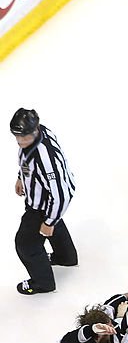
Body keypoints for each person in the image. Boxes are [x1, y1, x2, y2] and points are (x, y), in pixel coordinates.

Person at [11, 108, 77, 295]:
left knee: (26, 244)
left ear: (35, 129)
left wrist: (49, 221)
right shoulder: (40, 133)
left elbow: (61, 195)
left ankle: (42, 282)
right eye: (17, 137)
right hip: (46, 201)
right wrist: (21, 177)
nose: (20, 142)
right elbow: (26, 160)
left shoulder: (44, 159)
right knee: (53, 223)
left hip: (43, 203)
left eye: (24, 137)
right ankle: (66, 257)